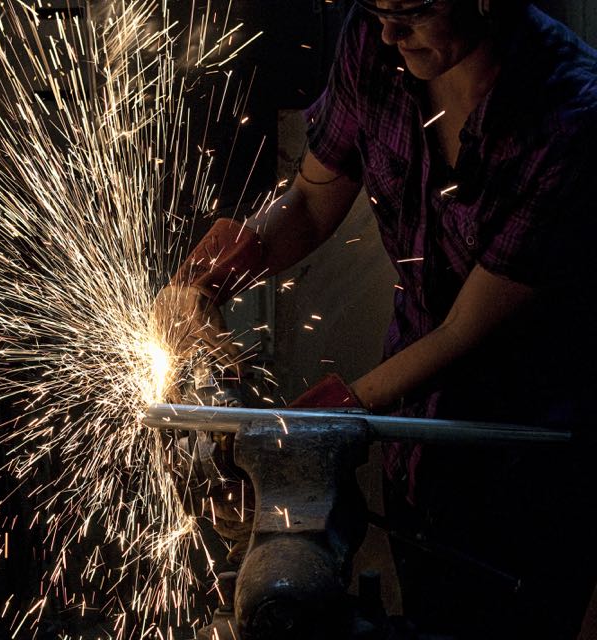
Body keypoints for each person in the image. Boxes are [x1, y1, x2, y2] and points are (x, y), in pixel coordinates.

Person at [156, 1, 597, 637]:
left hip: (523, 459)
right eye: (376, 7)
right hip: (414, 446)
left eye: (412, 10)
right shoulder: (373, 43)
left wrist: (311, 426)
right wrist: (207, 280)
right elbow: (311, 201)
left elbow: (465, 333)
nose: (389, 30)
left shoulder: (571, 118)